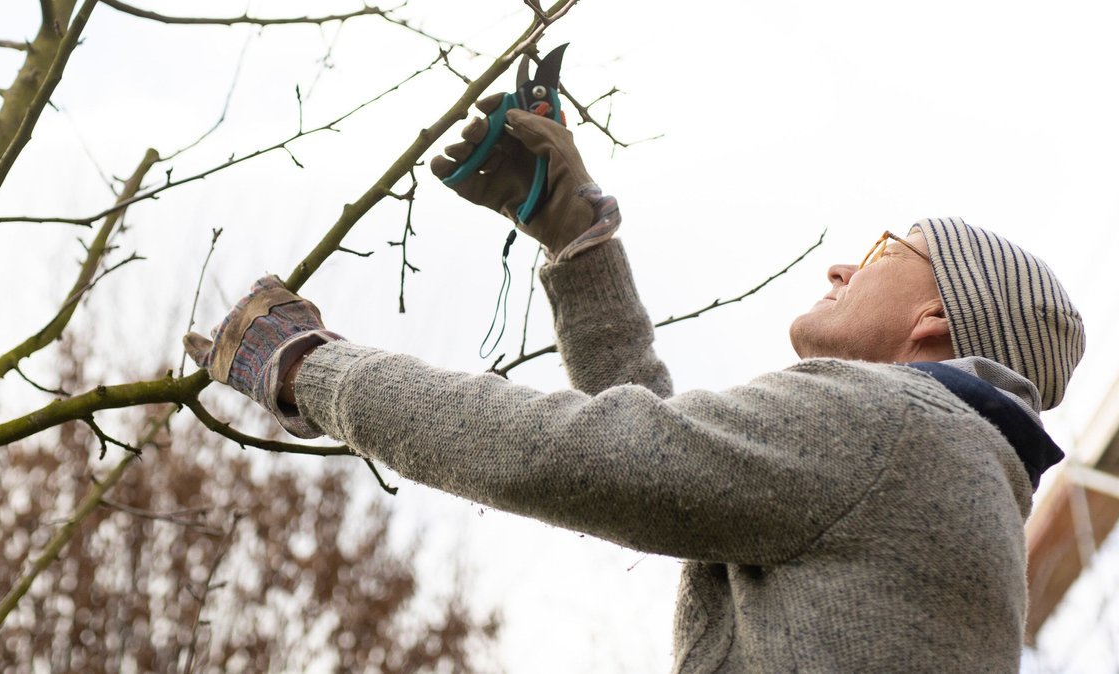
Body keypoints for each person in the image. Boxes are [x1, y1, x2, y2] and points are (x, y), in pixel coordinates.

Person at [184, 94, 1085, 672]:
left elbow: (582, 456)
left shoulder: (904, 429)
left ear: (936, 318)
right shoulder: (932, 469)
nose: (846, 265)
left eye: (890, 248)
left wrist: (309, 368)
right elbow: (663, 458)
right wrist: (580, 248)